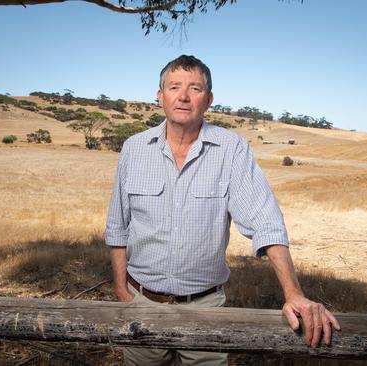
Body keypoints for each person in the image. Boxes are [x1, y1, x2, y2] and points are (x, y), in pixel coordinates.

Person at [105, 55, 340, 366]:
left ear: (209, 99)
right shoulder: (134, 149)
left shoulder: (231, 149)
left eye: (195, 88)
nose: (184, 96)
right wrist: (122, 288)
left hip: (206, 307)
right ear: (160, 96)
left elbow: (265, 221)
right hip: (141, 302)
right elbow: (118, 224)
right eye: (174, 87)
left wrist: (293, 293)